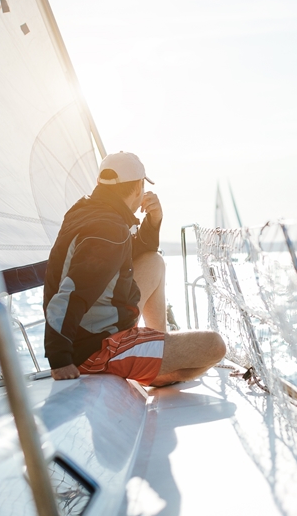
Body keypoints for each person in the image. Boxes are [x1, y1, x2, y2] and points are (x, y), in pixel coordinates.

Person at [42, 152, 226, 387]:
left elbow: (132, 252)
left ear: (100, 184)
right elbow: (70, 295)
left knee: (153, 261)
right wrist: (60, 360)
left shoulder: (91, 211)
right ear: (139, 187)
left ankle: (156, 346)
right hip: (96, 347)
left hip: (97, 326)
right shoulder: (107, 231)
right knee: (214, 346)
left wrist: (153, 219)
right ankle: (157, 370)